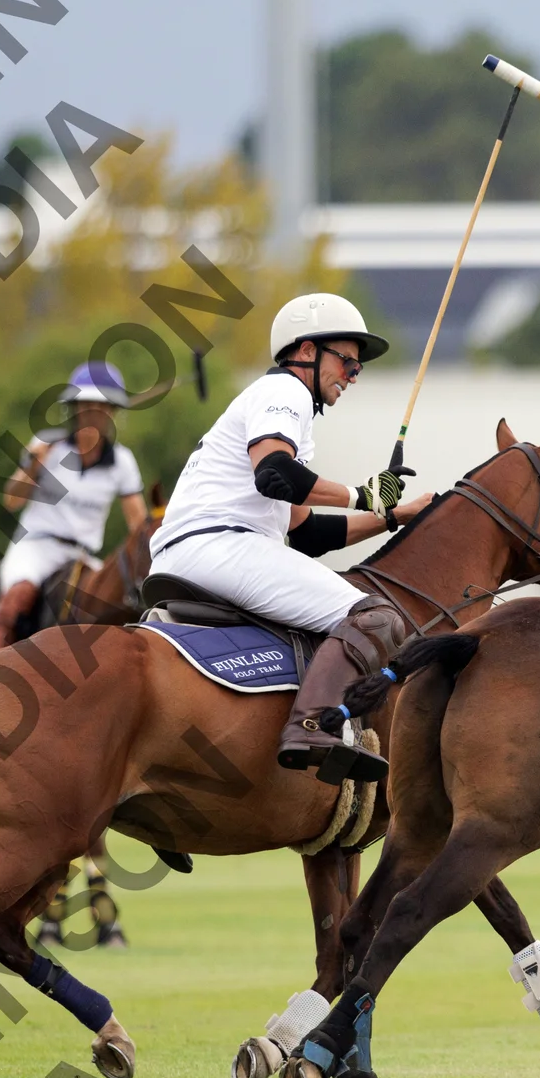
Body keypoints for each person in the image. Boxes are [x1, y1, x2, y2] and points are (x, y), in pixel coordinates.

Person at [147, 292, 429, 784]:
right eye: (347, 362)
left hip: (193, 551)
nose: (353, 376)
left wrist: (392, 517)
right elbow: (275, 473)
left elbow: (308, 535)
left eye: (358, 368)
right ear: (306, 351)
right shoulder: (286, 391)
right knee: (378, 618)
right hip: (221, 547)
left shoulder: (278, 410)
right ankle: (310, 727)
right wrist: (363, 495)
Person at [0, 363, 149, 650]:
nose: (92, 415)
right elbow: (11, 501)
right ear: (73, 410)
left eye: (101, 408)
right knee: (18, 598)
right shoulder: (47, 445)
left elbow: (138, 524)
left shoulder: (123, 462)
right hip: (36, 548)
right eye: (86, 407)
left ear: (112, 413)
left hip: (82, 557)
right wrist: (32, 465)